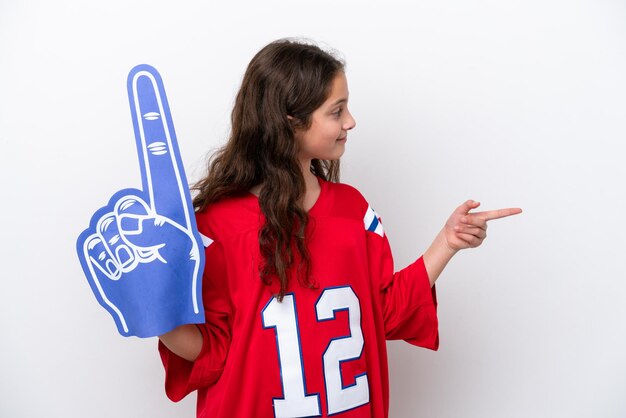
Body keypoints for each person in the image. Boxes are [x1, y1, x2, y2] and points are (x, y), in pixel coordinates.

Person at [157, 38, 521, 418]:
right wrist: (152, 311)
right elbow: (211, 349)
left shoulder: (352, 210)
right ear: (290, 120)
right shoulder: (214, 228)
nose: (351, 121)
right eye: (337, 111)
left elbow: (381, 311)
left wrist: (447, 243)